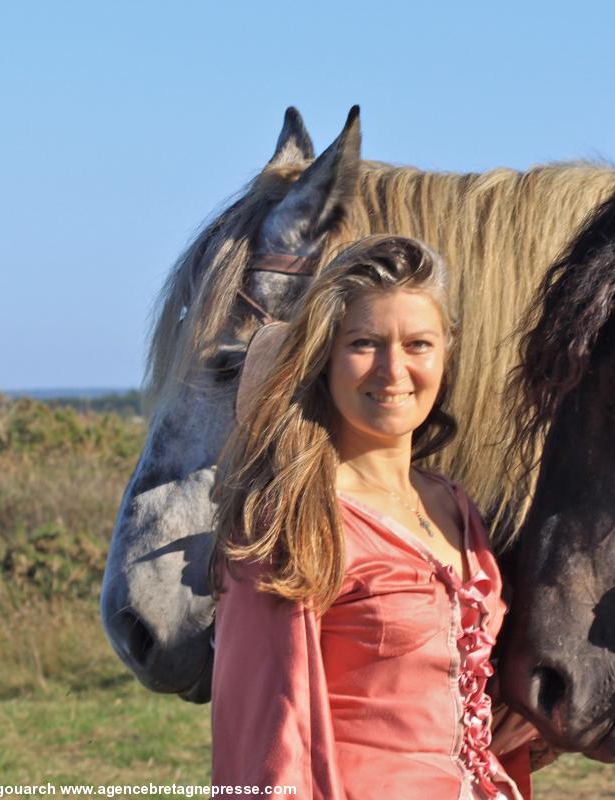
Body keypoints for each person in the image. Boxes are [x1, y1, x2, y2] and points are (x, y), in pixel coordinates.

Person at [209, 235, 540, 800]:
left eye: (417, 344)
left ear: (446, 353)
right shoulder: (290, 523)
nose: (393, 370)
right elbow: (264, 738)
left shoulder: (456, 508)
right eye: (364, 343)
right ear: (325, 356)